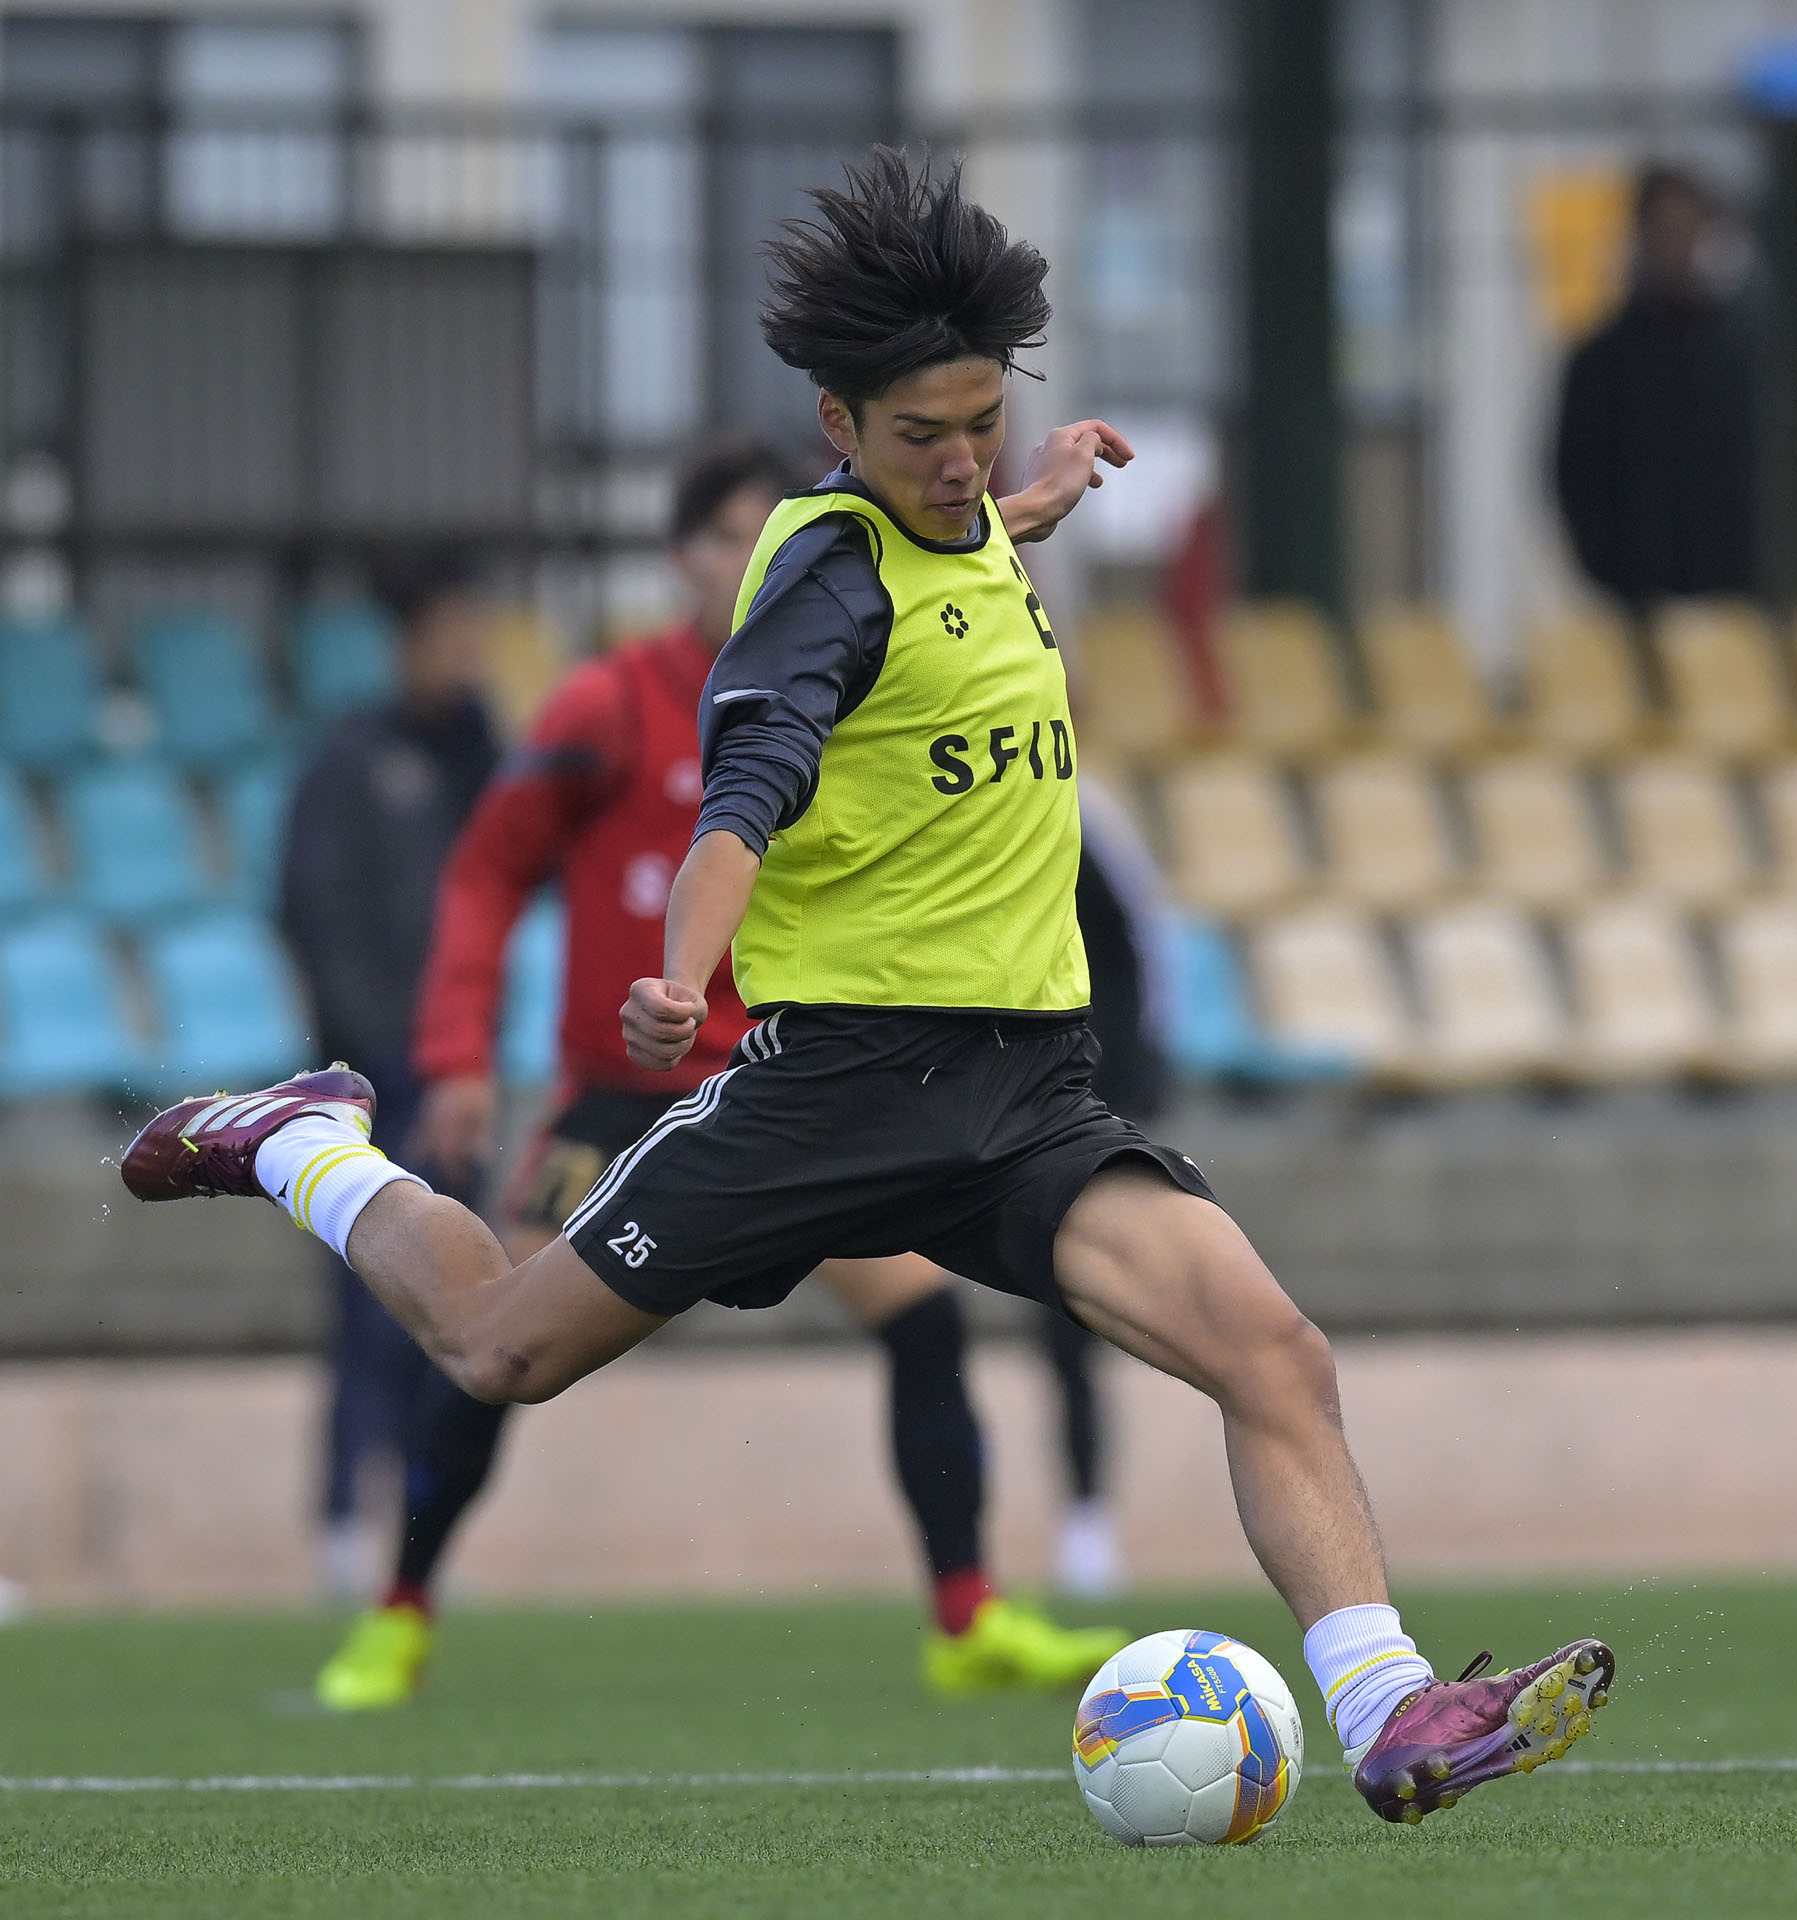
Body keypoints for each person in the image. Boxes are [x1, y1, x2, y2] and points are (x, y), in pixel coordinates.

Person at [122, 148, 1613, 1824]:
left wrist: (1032, 494)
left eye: (984, 419)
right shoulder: (818, 582)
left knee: (1273, 1349)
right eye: (925, 435)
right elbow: (737, 809)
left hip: (1028, 1092)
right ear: (837, 425)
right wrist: (684, 984)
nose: (964, 460)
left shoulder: (967, 518)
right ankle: (304, 1144)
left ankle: (1393, 1711)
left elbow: (966, 549)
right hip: (836, 1091)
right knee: (494, 1350)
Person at [309, 443, 1121, 1711]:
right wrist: (456, 1058)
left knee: (922, 1315)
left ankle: (964, 1615)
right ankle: (399, 1615)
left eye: (776, 540)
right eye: (733, 541)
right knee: (499, 1342)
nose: (761, 564)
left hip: (785, 1087)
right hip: (620, 1096)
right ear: (684, 559)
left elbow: (956, 563)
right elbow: (484, 875)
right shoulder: (606, 706)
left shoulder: (859, 659)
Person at [279, 548, 500, 1600]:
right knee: (368, 1314)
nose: (469, 653)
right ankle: (339, 1519)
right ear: (409, 642)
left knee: (452, 1314)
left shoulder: (480, 758)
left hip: (456, 1074)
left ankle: (417, 1536)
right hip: (373, 1083)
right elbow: (317, 918)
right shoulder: (351, 763)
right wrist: (372, 1054)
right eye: (451, 631)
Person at [1040, 774, 1178, 1600]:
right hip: (993, 1090)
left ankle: (1088, 1520)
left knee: (1080, 1309)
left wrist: (1137, 1077)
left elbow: (1147, 943)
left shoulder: (1087, 808)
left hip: (1090, 1096)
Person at [1553, 163, 1759, 614]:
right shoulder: (1601, 363)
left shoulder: (1741, 358)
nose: (1677, 246)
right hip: (1635, 609)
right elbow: (1575, 475)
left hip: (1736, 606)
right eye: (1664, 230)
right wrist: (1617, 575)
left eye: (1689, 229)